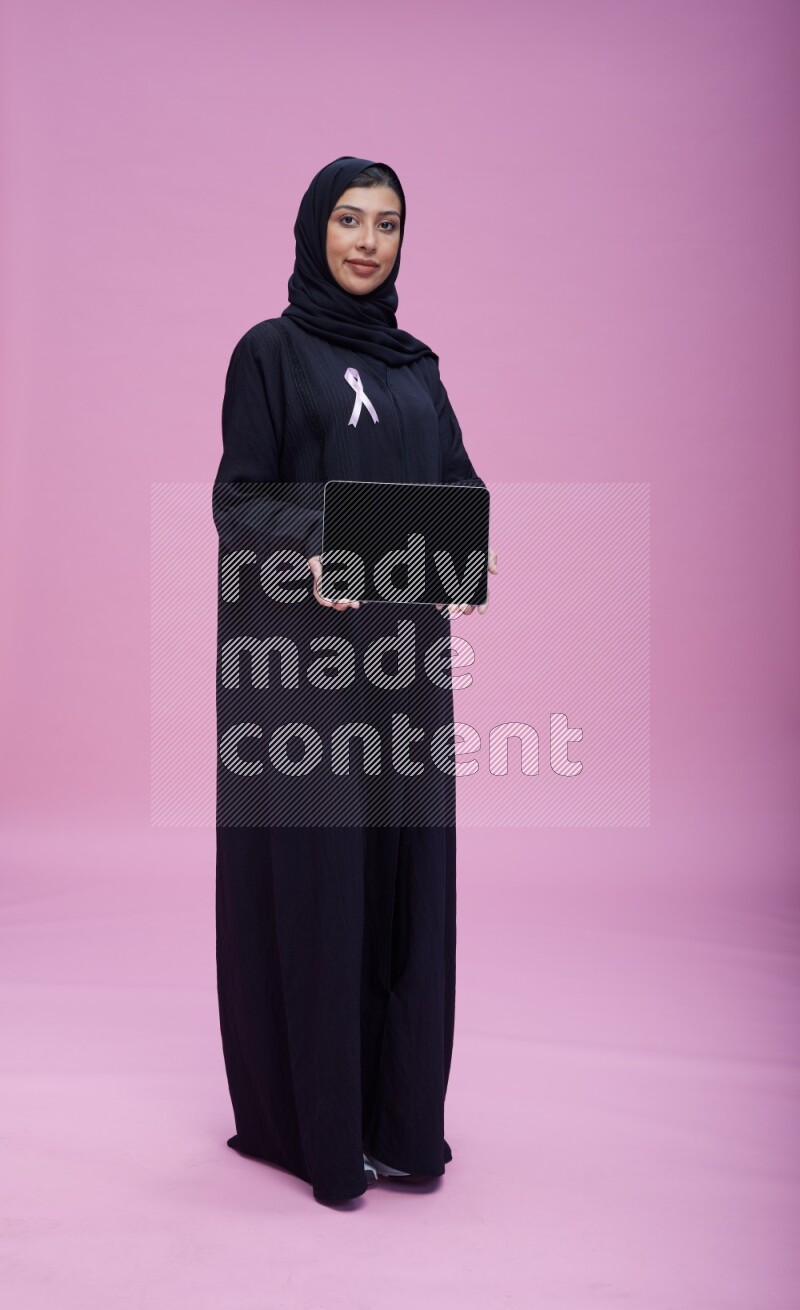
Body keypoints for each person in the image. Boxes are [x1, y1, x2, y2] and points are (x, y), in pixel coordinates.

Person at [212, 156, 497, 1206]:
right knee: (325, 882)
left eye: (386, 223)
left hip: (405, 663)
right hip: (302, 670)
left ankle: (397, 1120)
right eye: (347, 218)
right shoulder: (270, 354)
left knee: (405, 880)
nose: (367, 240)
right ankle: (315, 1127)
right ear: (311, 228)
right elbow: (238, 504)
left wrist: (466, 564)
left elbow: (456, 486)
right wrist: (319, 548)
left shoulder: (419, 368)